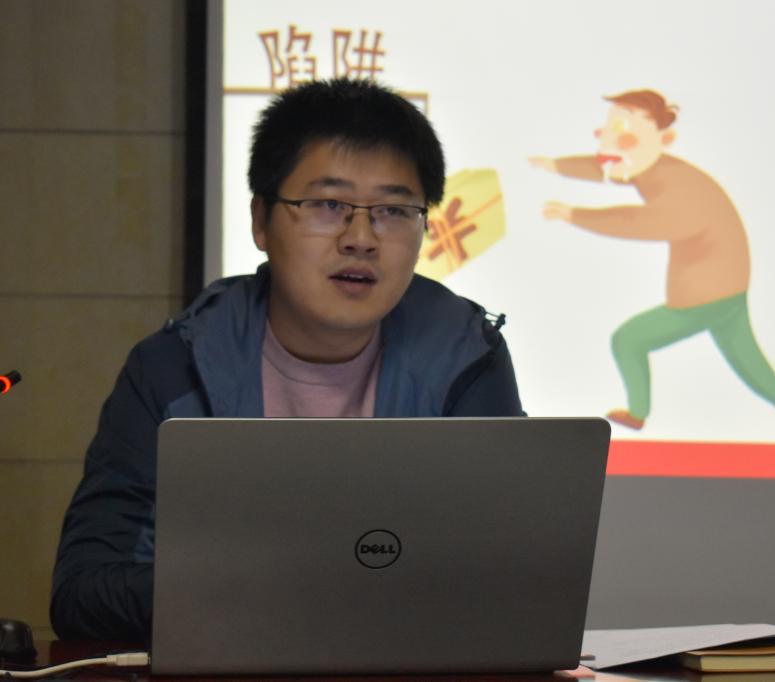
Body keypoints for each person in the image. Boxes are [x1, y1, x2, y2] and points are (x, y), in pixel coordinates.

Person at [51, 78, 525, 640]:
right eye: (328, 205)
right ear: (261, 220)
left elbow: (515, 579)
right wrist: (257, 589)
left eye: (394, 210)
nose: (361, 238)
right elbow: (84, 592)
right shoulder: (172, 368)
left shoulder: (466, 359)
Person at [530, 89, 775, 442]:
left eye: (624, 132)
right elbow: (603, 167)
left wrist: (574, 215)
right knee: (745, 357)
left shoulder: (679, 186)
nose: (608, 137)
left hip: (707, 294)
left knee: (629, 339)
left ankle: (638, 413)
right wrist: (556, 166)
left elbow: (639, 222)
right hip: (724, 288)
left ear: (666, 139)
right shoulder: (645, 165)